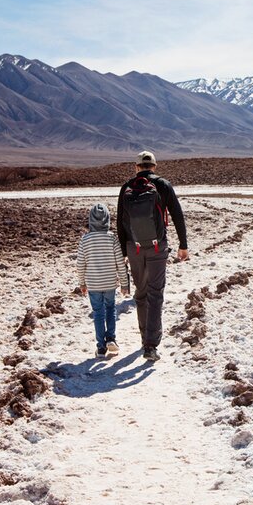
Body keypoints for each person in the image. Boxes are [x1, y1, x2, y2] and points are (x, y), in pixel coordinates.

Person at [117, 150, 189, 361]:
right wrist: (183, 245)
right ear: (154, 166)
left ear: (136, 167)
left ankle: (143, 337)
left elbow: (121, 220)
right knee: (155, 293)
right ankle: (151, 345)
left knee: (141, 292)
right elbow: (177, 215)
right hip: (158, 247)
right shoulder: (163, 185)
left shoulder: (127, 187)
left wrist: (123, 251)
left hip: (134, 247)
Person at [77, 203, 130, 358]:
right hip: (109, 283)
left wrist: (82, 283)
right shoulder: (112, 238)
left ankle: (101, 347)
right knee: (110, 309)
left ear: (90, 220)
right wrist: (124, 282)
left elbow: (80, 263)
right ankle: (111, 338)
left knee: (98, 313)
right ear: (107, 219)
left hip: (93, 284)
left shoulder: (85, 240)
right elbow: (120, 262)